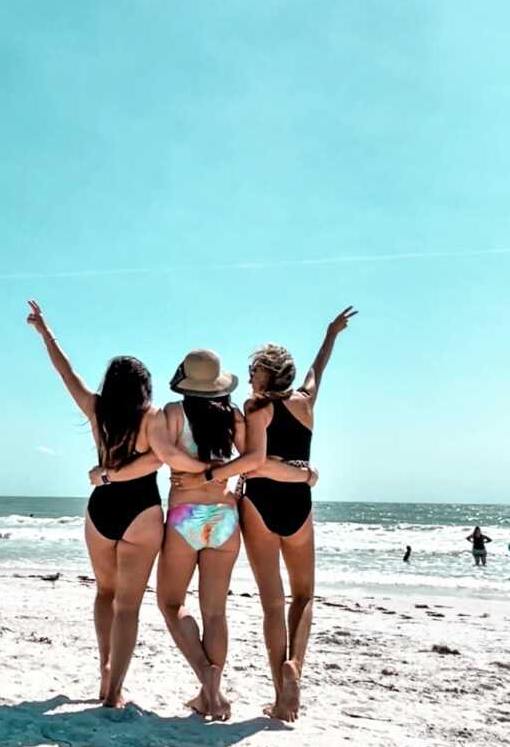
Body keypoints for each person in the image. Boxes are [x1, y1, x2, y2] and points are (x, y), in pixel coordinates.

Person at [26, 300, 198, 708]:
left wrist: (45, 333)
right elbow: (162, 458)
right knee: (128, 606)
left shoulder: (96, 410)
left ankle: (105, 669)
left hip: (100, 510)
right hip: (141, 513)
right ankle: (114, 689)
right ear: (144, 387)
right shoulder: (152, 419)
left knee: (105, 594)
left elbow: (65, 373)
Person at [150, 349, 312, 722]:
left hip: (185, 515)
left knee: (171, 603)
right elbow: (255, 458)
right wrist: (220, 471)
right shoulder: (234, 416)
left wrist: (198, 472)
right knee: (215, 612)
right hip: (224, 517)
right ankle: (211, 693)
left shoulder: (171, 414)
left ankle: (209, 683)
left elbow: (165, 455)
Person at [238, 307, 355, 723]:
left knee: (272, 603)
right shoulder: (306, 404)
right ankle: (296, 670)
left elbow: (253, 464)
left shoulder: (255, 411)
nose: (250, 376)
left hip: (259, 505)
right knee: (303, 595)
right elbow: (317, 368)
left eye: (254, 370)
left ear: (267, 375)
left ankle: (279, 693)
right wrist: (330, 334)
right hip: (298, 507)